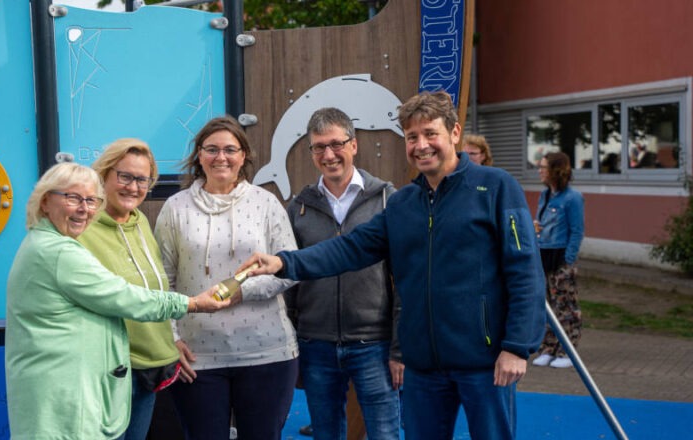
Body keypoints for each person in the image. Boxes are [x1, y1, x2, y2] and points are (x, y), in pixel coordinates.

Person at [238, 91, 546, 440]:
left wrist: (516, 346)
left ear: (454, 133)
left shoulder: (496, 187)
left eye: (431, 134)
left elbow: (525, 272)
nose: (421, 145)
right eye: (412, 137)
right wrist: (282, 262)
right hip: (424, 368)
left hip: (485, 362)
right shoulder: (402, 204)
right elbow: (348, 249)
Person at [5, 162, 231, 440]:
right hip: (65, 400)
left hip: (67, 393)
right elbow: (125, 297)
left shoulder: (43, 243)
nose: (84, 209)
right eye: (72, 198)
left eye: (91, 201)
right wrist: (192, 303)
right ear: (44, 202)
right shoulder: (59, 252)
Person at [154, 116, 299, 440]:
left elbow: (289, 268)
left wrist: (242, 293)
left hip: (267, 353)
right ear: (199, 156)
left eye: (230, 149)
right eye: (212, 149)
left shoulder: (266, 203)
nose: (221, 157)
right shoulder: (176, 208)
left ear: (243, 156)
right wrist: (170, 338)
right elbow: (162, 280)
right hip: (197, 357)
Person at [284, 107, 402, 440]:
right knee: (326, 433)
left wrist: (399, 346)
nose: (329, 154)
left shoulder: (386, 200)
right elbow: (289, 282)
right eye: (319, 146)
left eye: (336, 143)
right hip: (315, 343)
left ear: (354, 144)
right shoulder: (298, 207)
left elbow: (403, 278)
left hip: (373, 342)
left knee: (385, 433)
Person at [77, 139, 182, 440]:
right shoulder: (83, 228)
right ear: (104, 175)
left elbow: (156, 290)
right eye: (124, 176)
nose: (133, 187)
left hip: (151, 366)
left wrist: (172, 340)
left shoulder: (142, 223)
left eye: (142, 179)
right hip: (110, 369)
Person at [532, 152, 585, 369]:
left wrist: (568, 260)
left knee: (565, 306)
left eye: (543, 167)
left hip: (560, 257)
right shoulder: (545, 196)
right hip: (544, 255)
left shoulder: (572, 198)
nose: (539, 170)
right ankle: (548, 348)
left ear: (556, 170)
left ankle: (567, 351)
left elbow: (577, 230)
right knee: (547, 307)